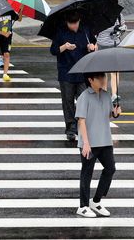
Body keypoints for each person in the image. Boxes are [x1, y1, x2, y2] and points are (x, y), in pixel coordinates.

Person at [75, 72, 120, 217]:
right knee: (87, 173)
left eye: (104, 77)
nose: (103, 80)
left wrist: (115, 113)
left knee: (110, 168)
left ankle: (96, 200)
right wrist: (85, 143)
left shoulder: (106, 95)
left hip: (105, 140)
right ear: (90, 80)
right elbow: (81, 120)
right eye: (100, 78)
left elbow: (106, 114)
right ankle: (82, 206)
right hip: (90, 142)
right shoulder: (84, 97)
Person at [50, 11, 97, 141]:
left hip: (83, 71)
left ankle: (82, 126)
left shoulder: (85, 30)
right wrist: (64, 47)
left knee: (84, 100)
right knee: (68, 101)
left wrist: (91, 47)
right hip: (66, 72)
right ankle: (71, 128)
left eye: (76, 23)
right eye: (72, 24)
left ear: (79, 21)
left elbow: (94, 44)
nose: (74, 26)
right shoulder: (60, 31)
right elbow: (53, 50)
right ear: (67, 22)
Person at [96, 13, 126, 105]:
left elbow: (124, 26)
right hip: (102, 45)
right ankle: (104, 95)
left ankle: (114, 94)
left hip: (115, 45)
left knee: (115, 71)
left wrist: (120, 29)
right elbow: (94, 30)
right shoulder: (99, 16)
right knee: (103, 72)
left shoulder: (119, 16)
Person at [0, 9, 23, 82]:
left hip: (7, 38)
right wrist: (3, 33)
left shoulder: (10, 12)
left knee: (7, 54)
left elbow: (19, 19)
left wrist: (21, 9)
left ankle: (5, 74)